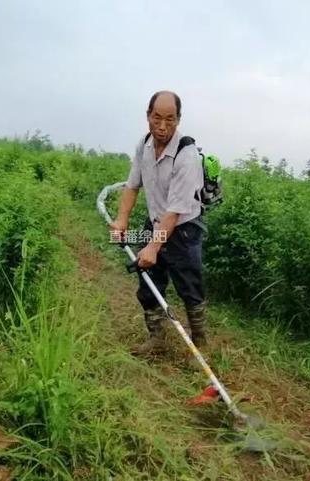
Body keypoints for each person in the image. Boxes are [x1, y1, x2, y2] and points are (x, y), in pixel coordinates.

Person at [110, 90, 208, 355]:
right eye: (157, 118)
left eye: (170, 119)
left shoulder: (186, 155)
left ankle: (200, 342)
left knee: (189, 287)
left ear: (178, 119)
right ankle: (157, 339)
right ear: (147, 116)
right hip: (155, 223)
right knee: (148, 281)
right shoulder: (144, 145)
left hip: (184, 229)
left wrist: (153, 247)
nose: (162, 126)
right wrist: (121, 221)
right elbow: (132, 186)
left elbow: (174, 212)